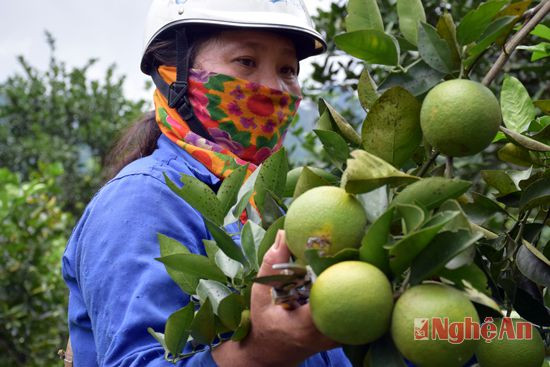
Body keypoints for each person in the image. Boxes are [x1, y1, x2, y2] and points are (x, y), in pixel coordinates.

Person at [62, 0, 352, 366]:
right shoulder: (141, 200)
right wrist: (260, 351)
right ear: (172, 72)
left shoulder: (268, 209)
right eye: (246, 62)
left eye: (287, 69)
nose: (274, 87)